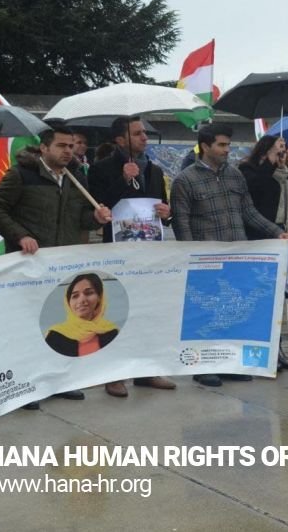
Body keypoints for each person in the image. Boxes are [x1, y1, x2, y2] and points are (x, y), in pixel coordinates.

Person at [0, 123, 112, 409]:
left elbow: (80, 217)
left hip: (62, 265)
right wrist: (20, 235)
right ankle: (24, 385)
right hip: (29, 263)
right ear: (44, 148)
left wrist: (96, 218)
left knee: (56, 323)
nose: (69, 151)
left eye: (71, 146)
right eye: (61, 146)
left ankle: (56, 381)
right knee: (26, 325)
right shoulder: (22, 174)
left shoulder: (75, 176)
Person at [172, 123, 288, 387]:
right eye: (222, 145)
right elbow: (181, 223)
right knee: (205, 314)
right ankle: (203, 366)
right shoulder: (185, 180)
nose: (227, 150)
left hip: (237, 256)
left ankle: (229, 363)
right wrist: (189, 257)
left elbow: (248, 212)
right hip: (205, 259)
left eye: (229, 144)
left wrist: (276, 232)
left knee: (233, 312)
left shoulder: (235, 176)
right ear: (205, 146)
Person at [87, 116, 175, 396]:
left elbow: (163, 208)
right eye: (137, 133)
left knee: (147, 311)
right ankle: (114, 374)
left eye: (144, 132)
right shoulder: (101, 169)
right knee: (115, 311)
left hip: (148, 253)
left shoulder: (155, 170)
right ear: (119, 139)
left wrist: (167, 212)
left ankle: (146, 371)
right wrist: (123, 179)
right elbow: (98, 206)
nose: (144, 137)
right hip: (117, 252)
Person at [239, 134, 288, 370]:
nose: (282, 153)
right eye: (278, 149)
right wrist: (270, 164)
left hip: (281, 237)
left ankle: (277, 346)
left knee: (277, 299)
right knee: (258, 299)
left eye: (284, 148)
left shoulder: (283, 176)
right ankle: (258, 349)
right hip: (258, 239)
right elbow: (256, 192)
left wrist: (283, 169)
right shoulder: (248, 171)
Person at [45, 273, 119, 357]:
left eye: (89, 293)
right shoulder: (55, 336)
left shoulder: (110, 332)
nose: (81, 300)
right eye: (75, 296)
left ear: (100, 297)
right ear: (68, 302)